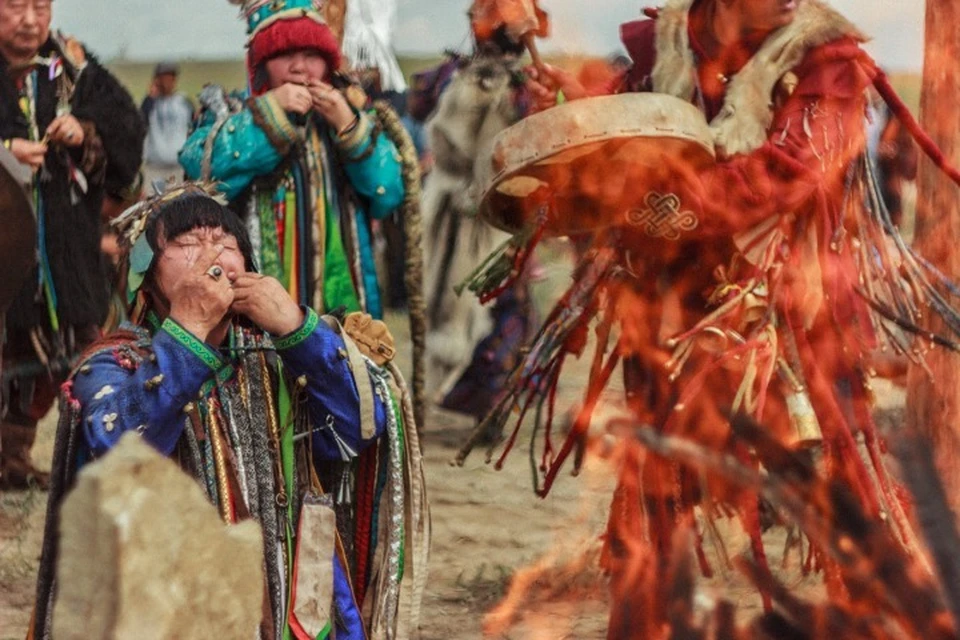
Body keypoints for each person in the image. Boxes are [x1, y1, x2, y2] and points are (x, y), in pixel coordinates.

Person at [465, 0, 960, 635]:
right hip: (672, 307)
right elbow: (637, 130)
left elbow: (787, 173)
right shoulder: (667, 45)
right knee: (654, 482)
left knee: (841, 492)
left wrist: (664, 202)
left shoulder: (829, 61)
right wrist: (583, 113)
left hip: (794, 316)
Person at [33, 185, 428, 640]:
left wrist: (300, 331)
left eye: (227, 244)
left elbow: (360, 426)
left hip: (281, 599)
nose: (210, 253)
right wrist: (189, 330)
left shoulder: (276, 354)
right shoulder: (113, 364)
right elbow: (117, 449)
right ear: (145, 276)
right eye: (186, 244)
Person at [0, 0, 144, 489]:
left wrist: (86, 133)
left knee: (80, 356)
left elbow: (128, 134)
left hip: (68, 256)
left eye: (40, 6)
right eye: (15, 6)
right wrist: (4, 153)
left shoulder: (77, 70)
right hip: (5, 254)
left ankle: (92, 460)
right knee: (8, 353)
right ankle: (10, 457)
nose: (29, 19)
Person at [140, 61, 193, 188]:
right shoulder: (150, 103)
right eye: (163, 78)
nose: (167, 82)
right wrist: (150, 97)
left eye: (170, 78)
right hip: (155, 168)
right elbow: (140, 123)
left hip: (179, 167)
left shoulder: (184, 102)